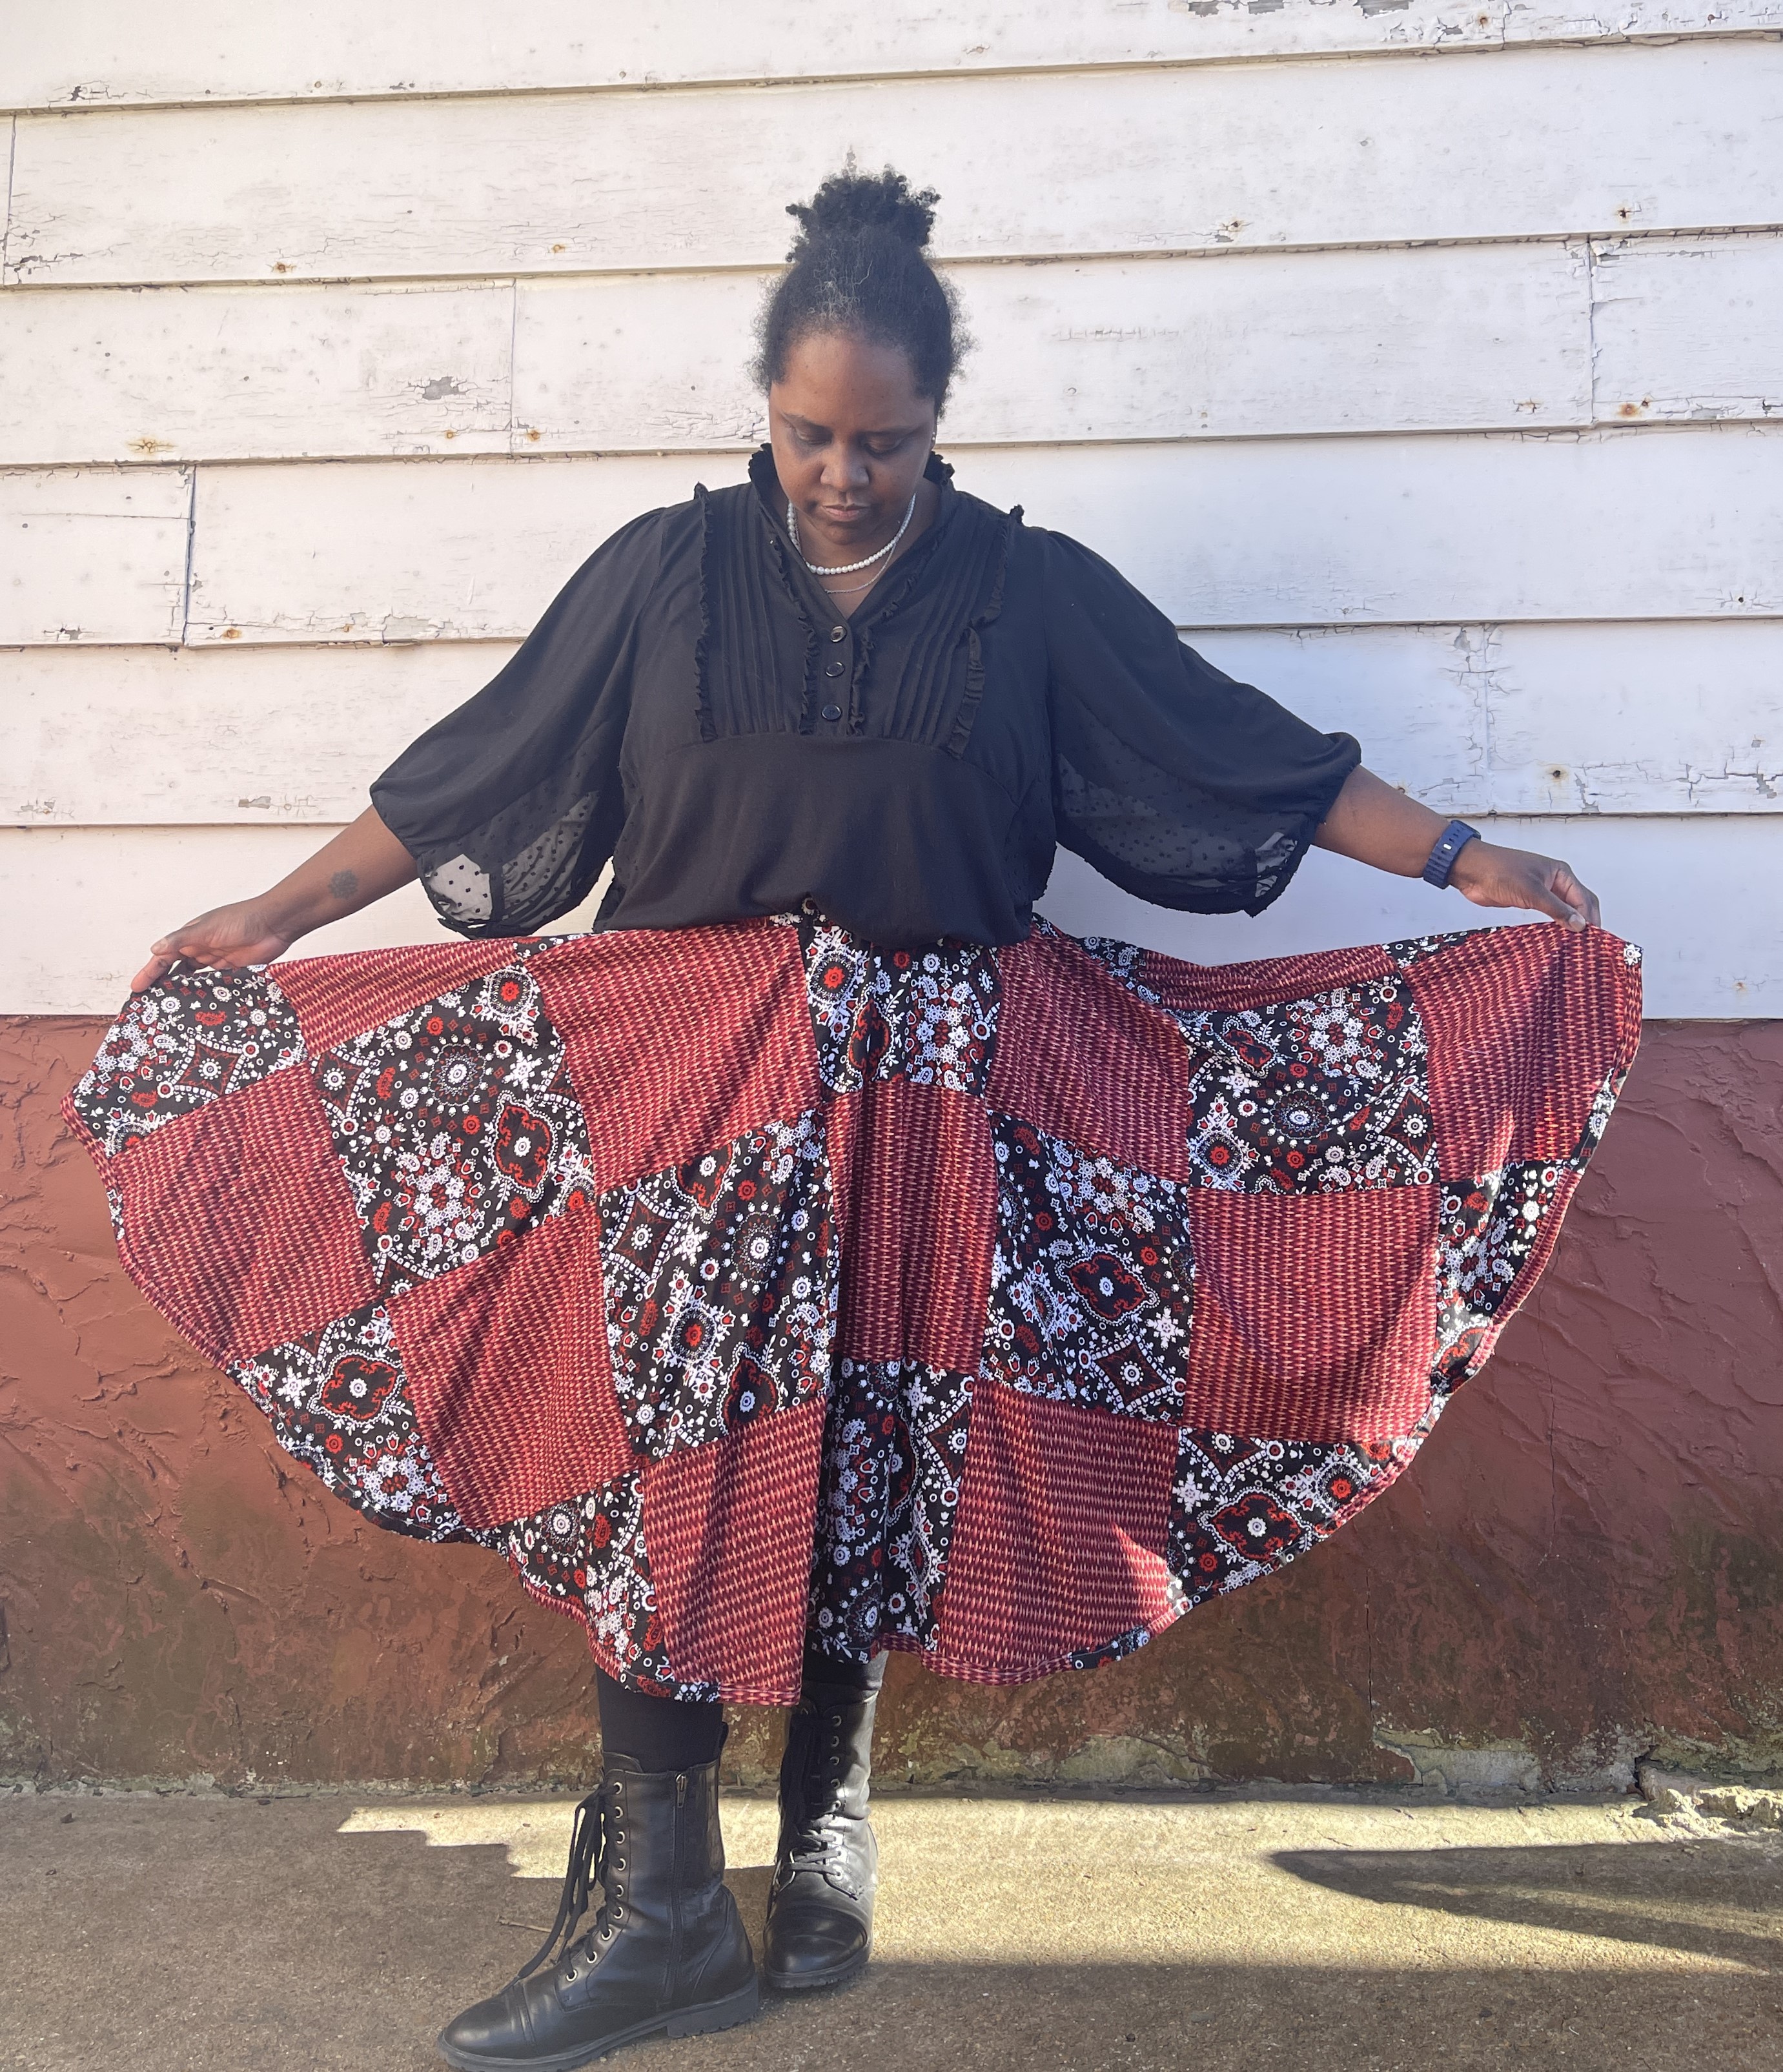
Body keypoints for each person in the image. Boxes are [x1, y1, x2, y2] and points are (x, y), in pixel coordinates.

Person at [74, 168, 1637, 2071]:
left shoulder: (1028, 590)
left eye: (883, 440)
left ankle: (819, 1838)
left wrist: (1466, 861)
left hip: (937, 1093)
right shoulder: (660, 571)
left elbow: (1240, 756)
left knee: (875, 1444)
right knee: (668, 1463)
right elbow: (484, 768)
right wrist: (279, 916)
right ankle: (662, 1914)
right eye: (811, 433)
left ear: (938, 422)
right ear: (763, 405)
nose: (842, 472)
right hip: (688, 1106)